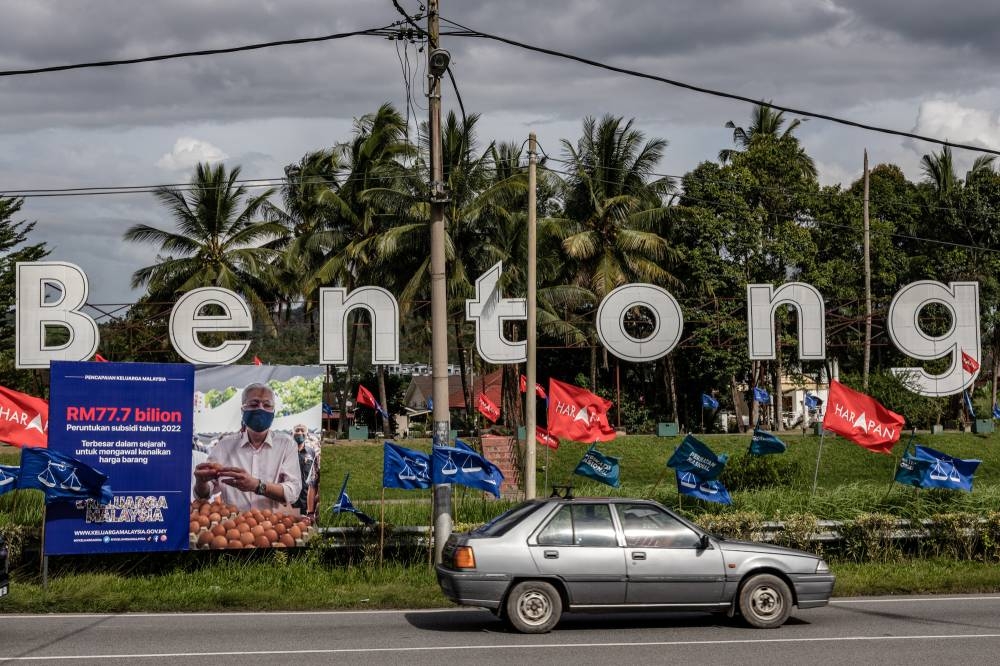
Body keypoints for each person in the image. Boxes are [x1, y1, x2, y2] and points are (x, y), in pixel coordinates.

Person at [193, 383, 302, 512]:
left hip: (273, 525)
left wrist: (258, 486)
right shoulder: (224, 446)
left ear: (273, 411)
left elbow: (293, 491)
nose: (261, 408)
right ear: (243, 409)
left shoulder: (286, 445)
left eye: (267, 405)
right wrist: (201, 482)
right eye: (254, 404)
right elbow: (204, 494)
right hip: (233, 526)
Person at [291, 423, 320, 518]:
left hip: (307, 499)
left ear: (307, 434)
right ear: (292, 433)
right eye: (297, 430)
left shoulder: (311, 452)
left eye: (302, 430)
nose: (299, 432)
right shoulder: (286, 452)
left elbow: (314, 477)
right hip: (290, 500)